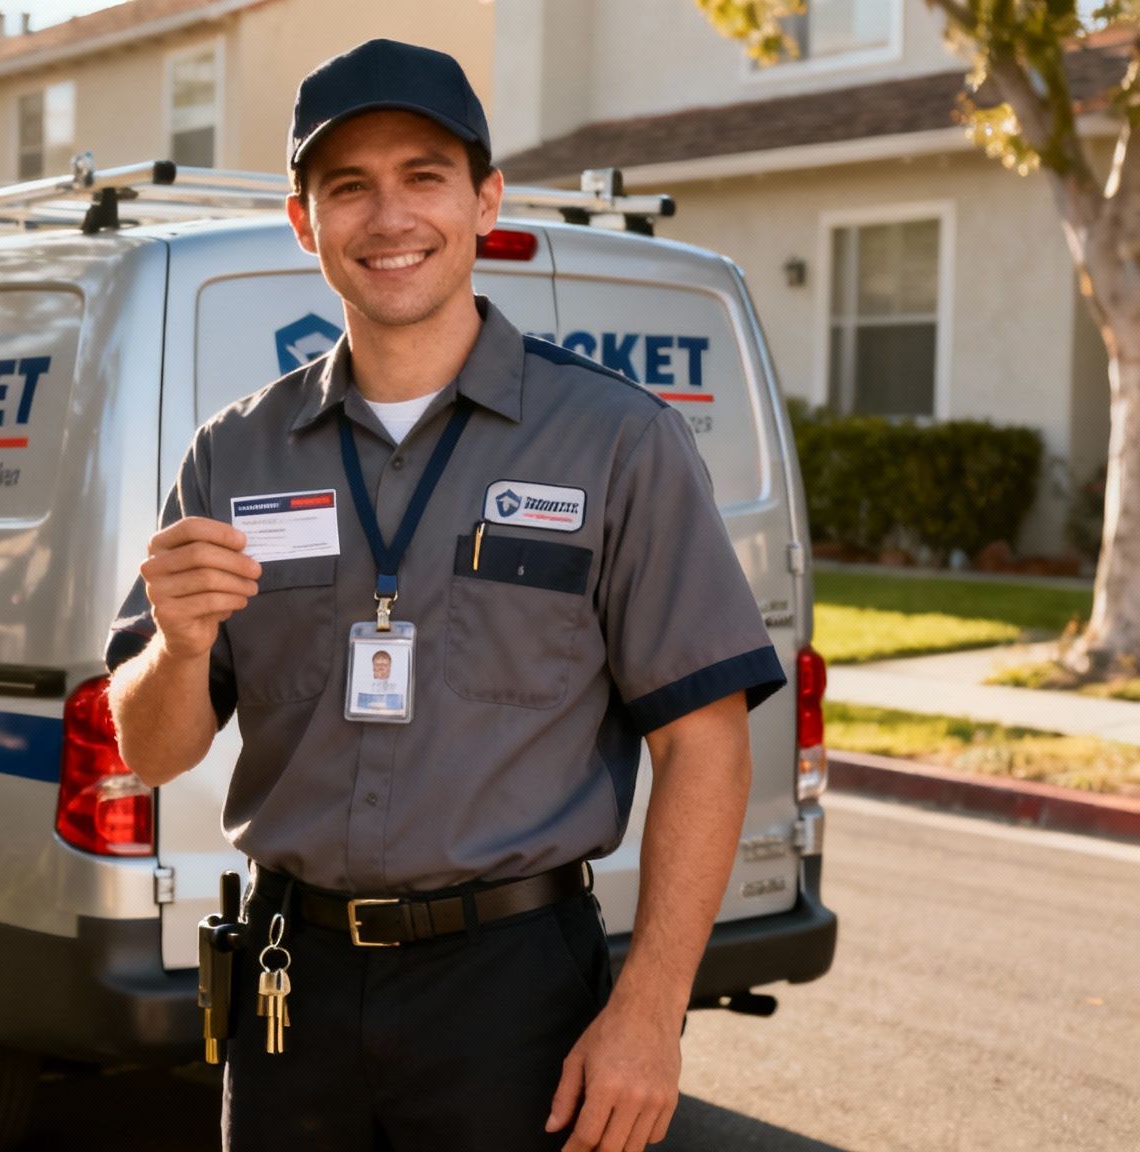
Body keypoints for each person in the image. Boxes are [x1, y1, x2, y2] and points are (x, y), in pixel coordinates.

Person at [104, 38, 785, 1152]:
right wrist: (175, 651)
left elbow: (704, 745)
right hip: (291, 983)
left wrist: (650, 1013)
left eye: (423, 176)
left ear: (483, 201)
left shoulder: (615, 443)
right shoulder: (232, 456)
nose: (389, 218)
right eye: (347, 188)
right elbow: (151, 749)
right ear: (302, 222)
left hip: (513, 992)